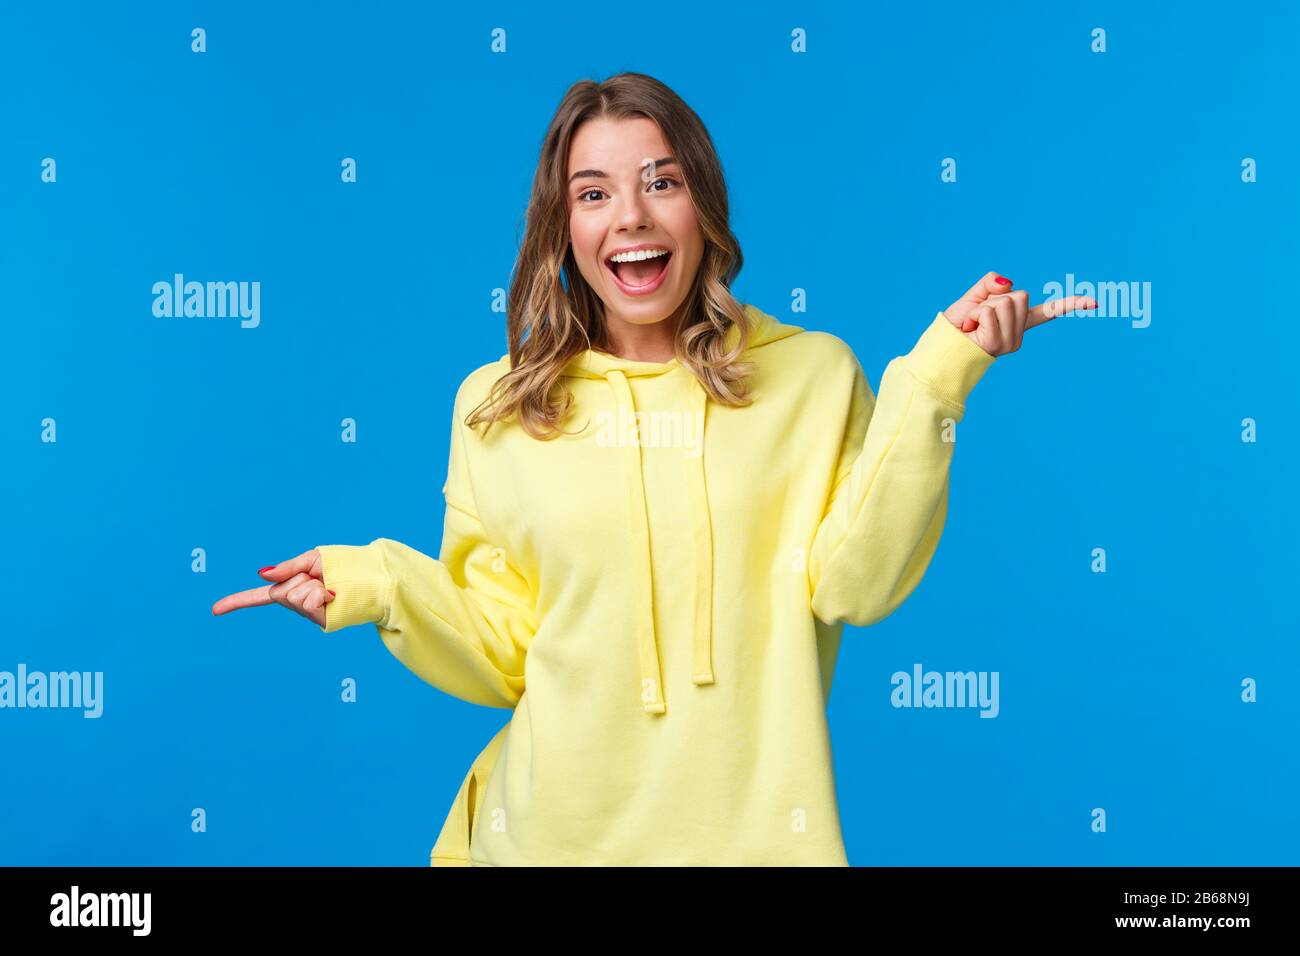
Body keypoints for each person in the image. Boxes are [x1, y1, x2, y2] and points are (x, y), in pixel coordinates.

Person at [212, 72, 1095, 866]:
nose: (630, 216)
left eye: (660, 182)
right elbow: (505, 649)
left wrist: (938, 377)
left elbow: (855, 587)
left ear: (702, 206)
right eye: (593, 193)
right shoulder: (500, 403)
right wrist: (377, 586)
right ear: (564, 227)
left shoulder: (812, 376)